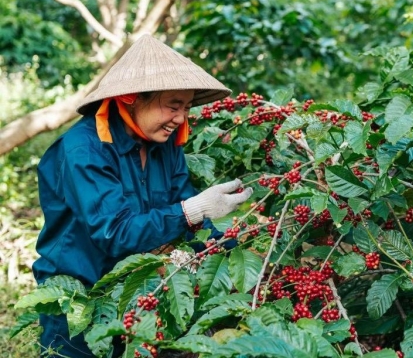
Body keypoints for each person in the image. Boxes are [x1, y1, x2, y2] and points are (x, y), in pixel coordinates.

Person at [33, 34, 252, 357]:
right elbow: (116, 232)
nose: (181, 118)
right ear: (131, 98)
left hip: (143, 291)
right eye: (173, 105)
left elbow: (185, 208)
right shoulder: (83, 149)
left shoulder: (165, 144)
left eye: (187, 107)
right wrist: (191, 211)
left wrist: (234, 256)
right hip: (80, 297)